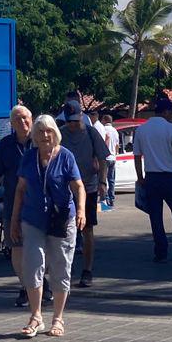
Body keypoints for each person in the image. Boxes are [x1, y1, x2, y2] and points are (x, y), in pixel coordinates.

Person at [10, 114, 85, 339]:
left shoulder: (66, 157)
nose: (45, 136)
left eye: (49, 131)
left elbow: (78, 186)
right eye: (40, 132)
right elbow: (20, 189)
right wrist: (14, 220)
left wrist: (81, 210)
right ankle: (36, 316)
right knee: (32, 265)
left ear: (55, 134)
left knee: (61, 267)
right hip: (33, 219)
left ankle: (58, 318)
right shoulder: (29, 157)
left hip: (61, 219)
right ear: (34, 136)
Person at [133, 96, 172, 263]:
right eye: (171, 112)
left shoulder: (141, 129)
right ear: (166, 111)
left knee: (155, 217)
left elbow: (137, 156)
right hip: (171, 177)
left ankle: (161, 252)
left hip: (152, 177)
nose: (171, 115)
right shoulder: (170, 128)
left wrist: (140, 178)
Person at [0, 105, 36, 306]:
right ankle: (25, 286)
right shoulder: (5, 145)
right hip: (12, 205)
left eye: (25, 118)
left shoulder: (41, 141)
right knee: (16, 246)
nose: (22, 122)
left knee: (41, 247)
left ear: (31, 119)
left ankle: (40, 283)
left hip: (38, 205)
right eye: (17, 119)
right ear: (12, 124)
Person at [57, 102, 108, 288]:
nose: (72, 124)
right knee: (62, 231)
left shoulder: (90, 132)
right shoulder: (60, 133)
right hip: (64, 189)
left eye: (75, 120)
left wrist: (103, 181)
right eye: (69, 121)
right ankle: (63, 270)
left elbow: (103, 158)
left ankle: (87, 270)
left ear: (81, 116)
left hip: (89, 188)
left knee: (87, 230)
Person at [97, 113, 120, 210]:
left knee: (103, 180)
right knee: (111, 180)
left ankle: (105, 199)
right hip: (113, 157)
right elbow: (117, 145)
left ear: (104, 120)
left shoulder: (103, 129)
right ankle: (112, 199)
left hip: (105, 158)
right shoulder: (115, 131)